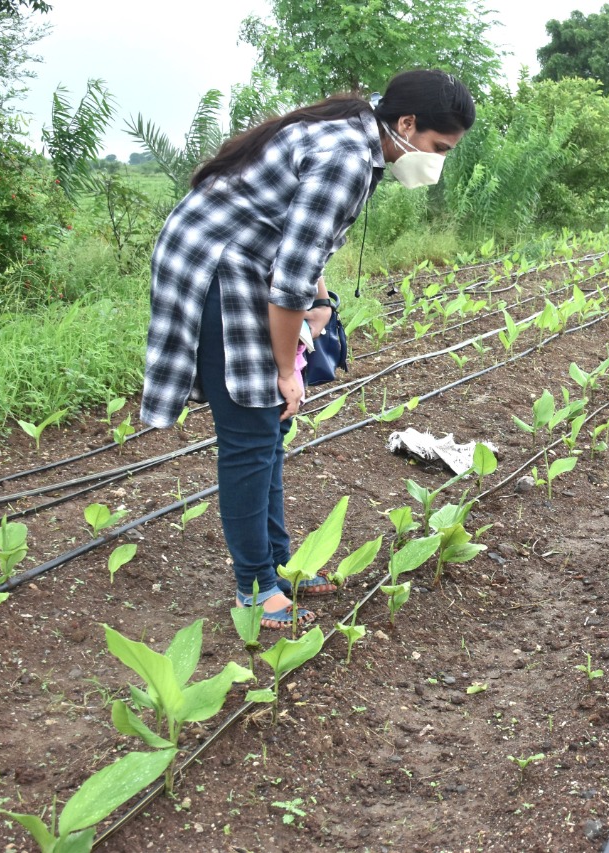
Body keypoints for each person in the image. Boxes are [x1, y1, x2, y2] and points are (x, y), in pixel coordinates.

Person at [140, 70, 475, 628]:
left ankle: (278, 562)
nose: (436, 161)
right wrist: (284, 368)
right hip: (218, 267)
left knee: (269, 427)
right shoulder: (346, 157)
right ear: (407, 124)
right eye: (438, 148)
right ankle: (254, 584)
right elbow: (290, 279)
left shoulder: (361, 136)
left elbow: (305, 242)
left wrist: (323, 301)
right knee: (252, 429)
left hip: (250, 261)